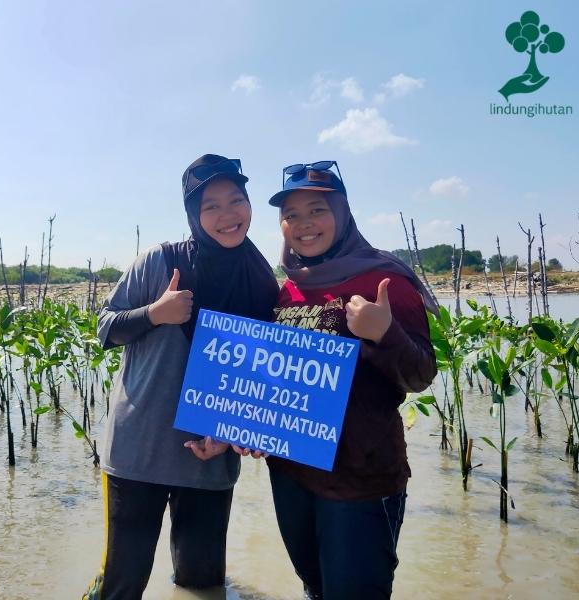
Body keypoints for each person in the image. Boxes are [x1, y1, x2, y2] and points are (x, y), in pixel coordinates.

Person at [83, 154, 278, 600]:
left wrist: (230, 437)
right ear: (193, 213)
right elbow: (104, 329)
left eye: (236, 200)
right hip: (138, 455)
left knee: (202, 586)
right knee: (121, 584)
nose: (228, 216)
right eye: (211, 206)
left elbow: (256, 380)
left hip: (208, 460)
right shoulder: (160, 261)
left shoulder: (263, 280)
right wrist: (155, 313)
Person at [265, 161, 437, 599]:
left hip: (359, 478)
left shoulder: (385, 280)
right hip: (291, 472)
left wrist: (385, 332)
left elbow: (420, 374)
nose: (304, 224)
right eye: (291, 214)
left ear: (341, 214)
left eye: (316, 210)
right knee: (315, 588)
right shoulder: (288, 289)